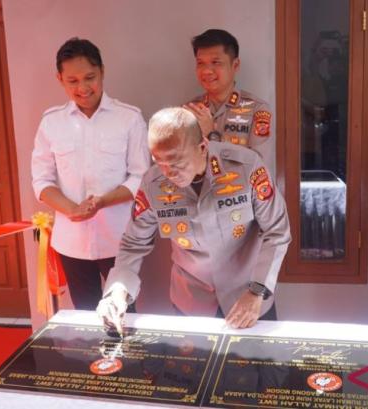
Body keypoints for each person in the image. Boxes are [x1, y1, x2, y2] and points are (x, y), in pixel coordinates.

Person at [97, 107, 290, 331]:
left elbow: (277, 230)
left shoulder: (247, 168)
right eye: (159, 162)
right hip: (191, 303)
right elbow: (133, 243)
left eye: (177, 162)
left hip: (249, 298)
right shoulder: (152, 183)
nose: (169, 173)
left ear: (202, 147)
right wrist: (118, 290)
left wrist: (258, 291)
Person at [31, 38, 151, 311]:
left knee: (123, 313)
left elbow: (140, 177)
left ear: (102, 72)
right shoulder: (52, 122)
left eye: (89, 78)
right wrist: (71, 208)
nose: (83, 88)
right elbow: (41, 180)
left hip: (119, 239)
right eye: (72, 81)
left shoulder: (128, 118)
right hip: (71, 242)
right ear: (60, 79)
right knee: (84, 316)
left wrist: (102, 202)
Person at [184, 29, 275, 171]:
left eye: (216, 62)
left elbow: (258, 166)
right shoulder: (188, 111)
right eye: (200, 63)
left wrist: (211, 135)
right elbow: (179, 164)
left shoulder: (258, 110)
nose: (207, 71)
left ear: (235, 65)